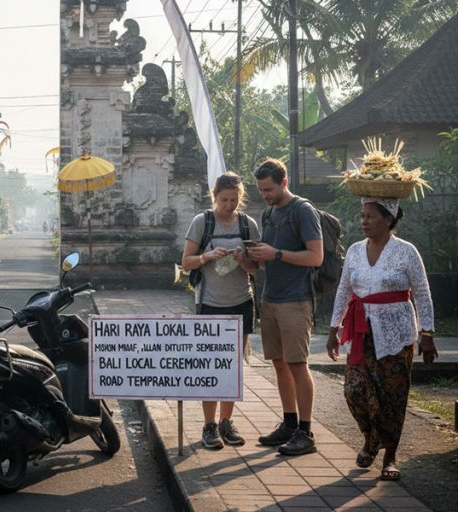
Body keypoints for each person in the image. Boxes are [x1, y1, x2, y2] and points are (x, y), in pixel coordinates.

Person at [326, 197, 436, 481]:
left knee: (392, 395)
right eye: (362, 216)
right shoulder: (354, 251)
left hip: (397, 333)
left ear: (388, 219)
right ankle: (371, 438)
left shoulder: (406, 252)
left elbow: (422, 293)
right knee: (354, 390)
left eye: (370, 216)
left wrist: (427, 333)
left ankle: (390, 455)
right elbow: (343, 291)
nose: (363, 221)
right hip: (361, 331)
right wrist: (333, 328)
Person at [247, 158, 323, 456]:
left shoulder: (302, 211)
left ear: (284, 183)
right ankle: (289, 423)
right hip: (271, 297)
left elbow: (315, 257)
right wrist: (250, 258)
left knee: (297, 364)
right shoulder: (268, 214)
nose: (265, 194)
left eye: (269, 189)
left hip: (296, 298)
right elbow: (266, 261)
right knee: (278, 362)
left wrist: (276, 253)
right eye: (261, 190)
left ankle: (306, 431)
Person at [182, 172, 260, 449]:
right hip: (210, 303)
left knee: (233, 366)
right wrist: (207, 256)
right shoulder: (202, 222)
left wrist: (244, 260)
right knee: (211, 365)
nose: (230, 205)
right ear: (214, 197)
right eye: (225, 199)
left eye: (234, 200)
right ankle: (209, 425)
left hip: (241, 301)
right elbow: (186, 262)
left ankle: (227, 422)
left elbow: (255, 270)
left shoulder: (248, 225)